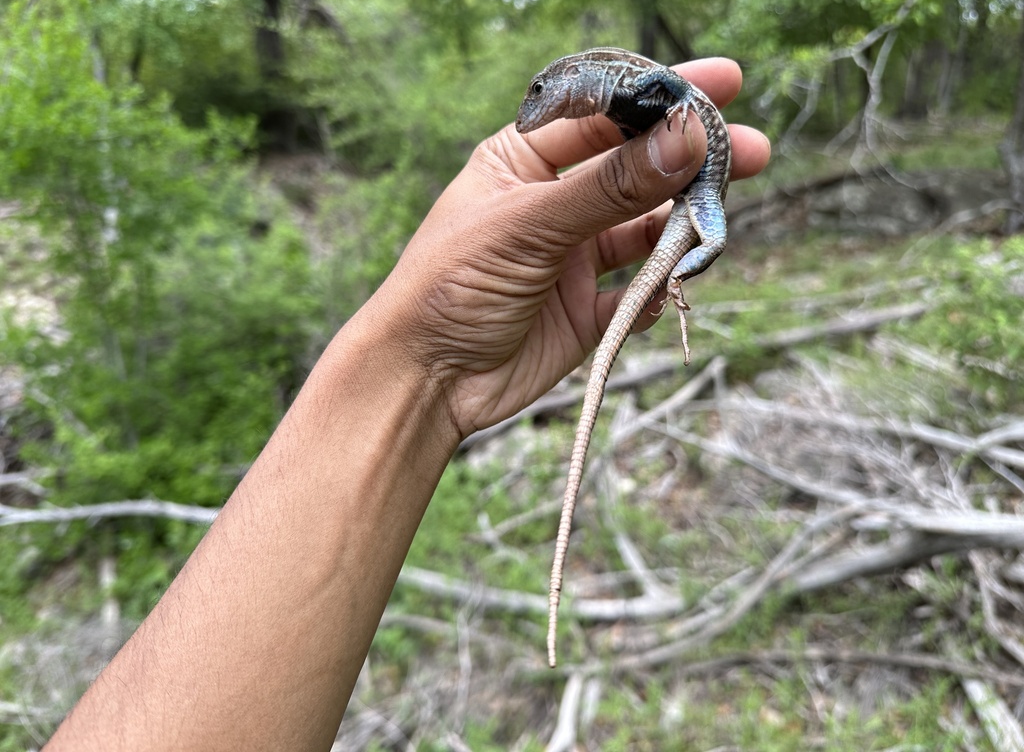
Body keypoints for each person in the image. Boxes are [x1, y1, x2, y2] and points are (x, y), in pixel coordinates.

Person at [44, 57, 771, 751]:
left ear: (565, 84)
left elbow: (659, 94)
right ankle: (672, 275)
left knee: (704, 235)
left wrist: (643, 196)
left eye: (538, 99)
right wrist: (428, 366)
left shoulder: (619, 82)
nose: (532, 115)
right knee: (689, 236)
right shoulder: (605, 95)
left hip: (694, 194)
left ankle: (674, 277)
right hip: (684, 192)